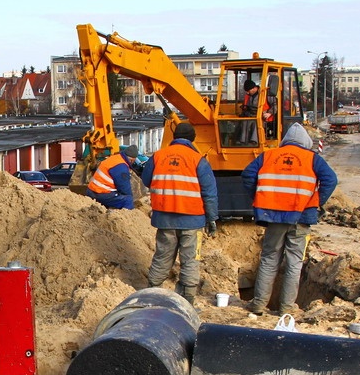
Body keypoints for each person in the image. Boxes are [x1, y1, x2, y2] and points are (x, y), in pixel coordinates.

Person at [242, 122, 337, 316]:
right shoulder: (312, 158)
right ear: (305, 141)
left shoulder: (268, 155)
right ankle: (286, 308)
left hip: (274, 215)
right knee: (294, 262)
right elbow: (331, 179)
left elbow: (248, 175)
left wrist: (260, 198)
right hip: (301, 216)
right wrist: (316, 201)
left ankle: (259, 305)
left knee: (269, 258)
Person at [139, 122, 219, 305]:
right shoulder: (198, 159)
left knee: (162, 256)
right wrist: (212, 218)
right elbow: (209, 193)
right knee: (190, 260)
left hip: (165, 218)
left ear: (174, 138)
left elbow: (146, 179)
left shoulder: (158, 156)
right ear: (192, 139)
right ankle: (188, 301)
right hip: (193, 220)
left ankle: (151, 295)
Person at [86, 144, 138, 209]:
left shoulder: (115, 158)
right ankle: (126, 217)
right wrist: (131, 196)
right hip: (100, 194)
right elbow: (124, 189)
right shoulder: (121, 166)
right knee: (128, 200)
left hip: (91, 191)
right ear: (131, 160)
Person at [239, 79, 260, 144]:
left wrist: (269, 113)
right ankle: (243, 141)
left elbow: (274, 105)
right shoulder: (248, 96)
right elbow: (245, 106)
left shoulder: (264, 94)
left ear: (254, 88)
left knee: (255, 122)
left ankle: (254, 141)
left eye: (248, 90)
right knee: (244, 122)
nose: (247, 92)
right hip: (250, 115)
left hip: (261, 116)